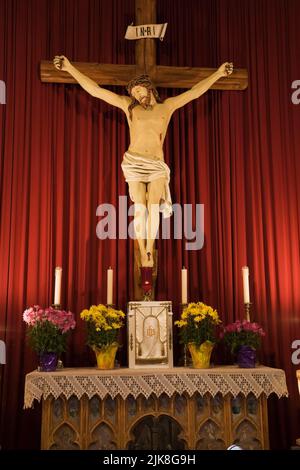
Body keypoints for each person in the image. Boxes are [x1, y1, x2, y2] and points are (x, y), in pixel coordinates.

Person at [53, 56, 233, 267]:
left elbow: (195, 92)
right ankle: (142, 249)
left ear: (149, 88)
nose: (137, 96)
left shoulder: (167, 107)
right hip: (134, 163)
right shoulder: (130, 108)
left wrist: (219, 74)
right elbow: (96, 91)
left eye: (139, 90)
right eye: (134, 94)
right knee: (140, 207)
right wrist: (70, 68)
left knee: (153, 204)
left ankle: (150, 247)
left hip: (156, 164)